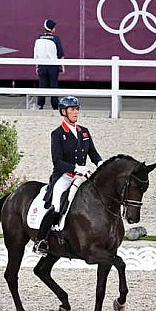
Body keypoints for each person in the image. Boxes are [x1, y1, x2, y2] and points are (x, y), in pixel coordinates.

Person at [33, 95, 104, 255]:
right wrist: (76, 168)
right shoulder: (57, 134)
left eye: (77, 109)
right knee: (57, 205)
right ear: (64, 112)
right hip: (64, 177)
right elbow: (57, 162)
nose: (76, 112)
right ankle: (41, 241)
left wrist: (101, 164)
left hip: (82, 176)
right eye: (72, 109)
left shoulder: (84, 132)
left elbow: (93, 153)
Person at [33, 18, 64, 110]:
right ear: (53, 29)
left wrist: (37, 66)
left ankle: (40, 104)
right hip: (53, 65)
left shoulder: (38, 38)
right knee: (53, 85)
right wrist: (62, 66)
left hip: (42, 65)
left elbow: (36, 53)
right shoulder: (56, 39)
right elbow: (60, 54)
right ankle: (55, 105)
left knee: (42, 85)